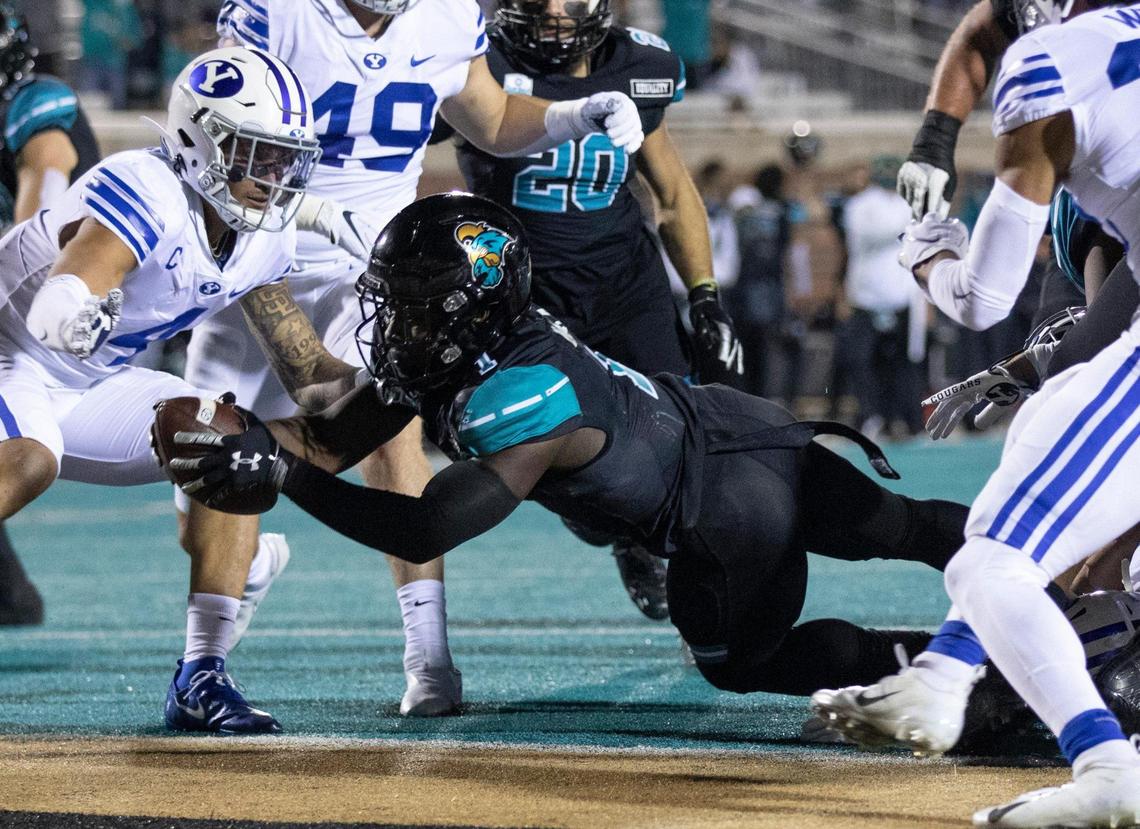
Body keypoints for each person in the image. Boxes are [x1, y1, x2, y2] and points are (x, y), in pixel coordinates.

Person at [160, 191, 978, 704]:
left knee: (739, 660)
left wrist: (286, 474)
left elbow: (425, 526)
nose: (395, 323)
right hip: (746, 427)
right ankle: (1031, 580)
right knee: (903, 526)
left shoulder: (521, 393)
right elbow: (333, 436)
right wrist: (252, 440)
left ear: (469, 309)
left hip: (726, 511)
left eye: (414, 304)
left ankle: (952, 673)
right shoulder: (475, 344)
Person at [209, 0, 646, 717]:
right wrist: (258, 270)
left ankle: (429, 656)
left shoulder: (446, 14)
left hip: (374, 262)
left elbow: (493, 119)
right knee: (209, 459)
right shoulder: (277, 13)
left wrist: (575, 114)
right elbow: (222, 150)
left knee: (392, 432)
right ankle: (243, 567)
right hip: (252, 253)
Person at [811, 4, 1140, 825]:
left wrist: (927, 247)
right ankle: (944, 672)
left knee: (995, 562)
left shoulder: (1050, 63)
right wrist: (934, 138)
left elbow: (983, 297)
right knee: (1033, 494)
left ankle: (1107, 765)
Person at [0, 45, 366, 735]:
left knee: (231, 444)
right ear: (202, 141)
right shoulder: (148, 187)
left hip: (89, 379)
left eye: (284, 159)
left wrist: (394, 373)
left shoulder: (262, 236)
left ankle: (202, 674)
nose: (273, 177)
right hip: (11, 350)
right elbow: (63, 295)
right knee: (29, 459)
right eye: (256, 155)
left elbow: (310, 376)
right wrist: (74, 306)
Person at [434, 0, 744, 620]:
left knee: (680, 438)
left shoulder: (640, 63)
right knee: (544, 453)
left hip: (626, 283)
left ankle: (699, 595)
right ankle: (614, 525)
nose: (554, 13)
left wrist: (705, 294)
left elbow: (672, 191)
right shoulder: (478, 61)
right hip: (526, 294)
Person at [0, 2, 102, 626]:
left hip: (54, 313)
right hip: (38, 312)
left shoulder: (34, 100)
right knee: (15, 604)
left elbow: (45, 180)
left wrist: (20, 265)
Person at [834, 156, 925, 439]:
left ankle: (898, 417)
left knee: (900, 363)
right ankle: (870, 415)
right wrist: (911, 222)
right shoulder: (860, 204)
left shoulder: (906, 205)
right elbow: (868, 236)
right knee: (863, 361)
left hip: (902, 295)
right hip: (866, 297)